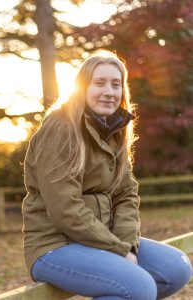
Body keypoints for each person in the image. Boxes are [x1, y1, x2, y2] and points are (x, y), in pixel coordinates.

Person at [22, 49, 192, 300]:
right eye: (99, 83)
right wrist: (118, 250)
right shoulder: (60, 130)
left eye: (116, 84)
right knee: (140, 287)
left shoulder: (114, 130)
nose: (109, 92)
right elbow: (64, 208)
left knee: (176, 268)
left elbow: (126, 194)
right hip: (54, 246)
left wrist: (126, 245)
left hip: (103, 238)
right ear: (82, 87)